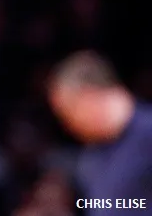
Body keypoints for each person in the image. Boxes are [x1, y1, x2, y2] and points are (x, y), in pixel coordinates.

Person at [46, 50, 152, 213]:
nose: (67, 126)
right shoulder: (91, 158)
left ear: (87, 97)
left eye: (66, 114)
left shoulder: (148, 133)